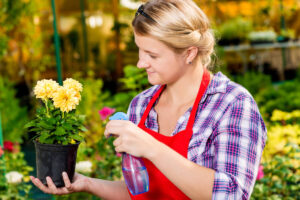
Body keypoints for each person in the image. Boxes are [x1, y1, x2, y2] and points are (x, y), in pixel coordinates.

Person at [30, 0, 267, 199]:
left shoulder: (232, 104)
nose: (141, 63)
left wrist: (152, 147)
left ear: (189, 53)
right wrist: (87, 183)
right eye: (140, 50)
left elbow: (231, 193)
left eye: (152, 55)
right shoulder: (141, 105)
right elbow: (140, 190)